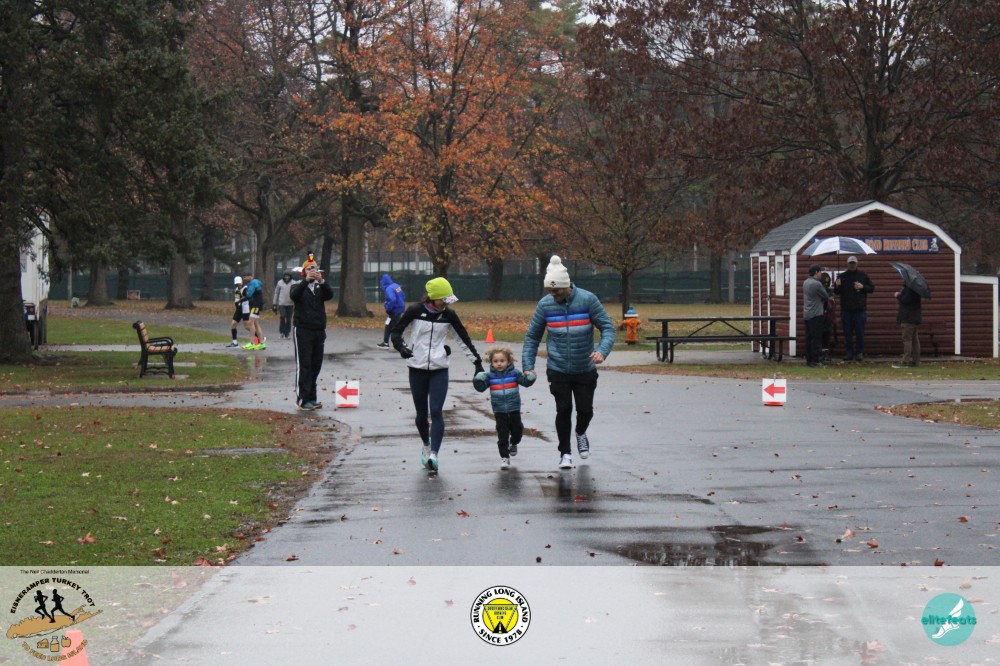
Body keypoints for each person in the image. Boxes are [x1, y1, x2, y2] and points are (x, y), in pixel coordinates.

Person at [522, 255, 616, 470]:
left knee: (585, 410)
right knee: (563, 409)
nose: (552, 294)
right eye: (549, 290)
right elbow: (532, 337)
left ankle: (581, 432)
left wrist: (602, 351)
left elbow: (608, 328)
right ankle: (565, 453)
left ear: (566, 286)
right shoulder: (545, 305)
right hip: (558, 368)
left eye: (556, 290)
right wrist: (528, 366)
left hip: (585, 367)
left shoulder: (588, 300)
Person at [391, 277, 483, 473]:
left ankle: (434, 455)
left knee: (436, 411)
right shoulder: (415, 311)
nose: (446, 304)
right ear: (433, 298)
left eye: (449, 300)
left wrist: (477, 363)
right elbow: (396, 332)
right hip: (416, 368)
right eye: (444, 300)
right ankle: (426, 445)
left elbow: (463, 339)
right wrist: (402, 348)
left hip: (439, 369)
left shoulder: (449, 315)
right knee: (421, 415)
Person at [473, 346, 536, 469]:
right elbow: (480, 388)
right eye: (496, 361)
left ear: (509, 361)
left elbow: (525, 382)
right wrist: (477, 379)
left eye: (502, 361)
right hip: (499, 410)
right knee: (502, 435)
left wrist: (530, 378)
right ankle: (505, 457)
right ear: (491, 362)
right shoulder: (489, 376)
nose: (499, 364)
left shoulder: (515, 373)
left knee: (517, 430)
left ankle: (514, 443)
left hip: (514, 408)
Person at [290, 265, 333, 410]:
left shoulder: (319, 288)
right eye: (309, 270)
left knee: (315, 365)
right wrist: (306, 281)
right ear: (303, 272)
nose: (313, 272)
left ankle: (312, 397)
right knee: (304, 365)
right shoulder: (297, 286)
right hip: (303, 330)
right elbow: (294, 296)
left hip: (318, 330)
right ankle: (302, 399)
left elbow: (329, 295)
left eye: (315, 270)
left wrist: (322, 281)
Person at [833, 255, 874, 361]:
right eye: (850, 263)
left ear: (856, 264)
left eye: (853, 263)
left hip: (860, 310)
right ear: (847, 264)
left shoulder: (863, 275)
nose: (852, 265)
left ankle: (859, 353)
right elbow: (836, 292)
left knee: (860, 332)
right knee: (847, 333)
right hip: (846, 310)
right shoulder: (841, 276)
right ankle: (849, 353)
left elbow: (872, 288)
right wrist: (837, 285)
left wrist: (863, 287)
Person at [893, 281, 923, 368]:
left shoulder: (909, 288)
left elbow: (906, 299)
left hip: (907, 318)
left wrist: (898, 295)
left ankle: (905, 361)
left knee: (907, 340)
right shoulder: (917, 288)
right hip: (914, 318)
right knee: (915, 340)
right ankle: (916, 361)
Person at [802, 265, 827, 367]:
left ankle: (809, 359)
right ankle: (815, 360)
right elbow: (825, 295)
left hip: (807, 314)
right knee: (816, 338)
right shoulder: (817, 284)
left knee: (809, 337)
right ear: (816, 272)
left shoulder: (806, 282)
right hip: (816, 314)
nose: (821, 274)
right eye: (820, 272)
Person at [378, 274, 406, 348]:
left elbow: (392, 300)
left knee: (396, 327)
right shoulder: (396, 286)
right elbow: (403, 295)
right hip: (399, 308)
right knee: (388, 325)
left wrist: (387, 307)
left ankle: (402, 343)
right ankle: (385, 342)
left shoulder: (389, 289)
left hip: (394, 310)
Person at [241, 270, 266, 350]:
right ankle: (261, 343)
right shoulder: (254, 282)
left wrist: (243, 297)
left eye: (245, 277)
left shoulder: (253, 283)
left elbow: (249, 294)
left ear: (250, 276)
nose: (244, 279)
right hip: (255, 305)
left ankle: (252, 343)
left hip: (255, 305)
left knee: (250, 323)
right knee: (256, 324)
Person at [273, 272, 296, 339]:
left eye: (288, 276)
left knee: (288, 319)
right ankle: (282, 332)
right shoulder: (280, 282)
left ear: (290, 276)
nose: (287, 277)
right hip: (282, 303)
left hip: (290, 303)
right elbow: (276, 293)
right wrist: (274, 303)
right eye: (285, 276)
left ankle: (287, 333)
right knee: (282, 316)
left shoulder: (293, 283)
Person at [819, 272, 836, 362]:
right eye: (824, 282)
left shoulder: (829, 291)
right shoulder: (819, 290)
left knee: (827, 335)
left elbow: (832, 303)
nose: (826, 284)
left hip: (828, 316)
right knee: (820, 334)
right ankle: (819, 353)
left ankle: (825, 354)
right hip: (820, 315)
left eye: (827, 282)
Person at [228, 276, 246, 348]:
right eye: (237, 283)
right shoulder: (236, 289)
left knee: (248, 326)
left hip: (244, 309)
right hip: (238, 309)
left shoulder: (245, 288)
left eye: (239, 283)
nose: (238, 284)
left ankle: (259, 338)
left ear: (242, 282)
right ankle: (235, 342)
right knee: (233, 324)